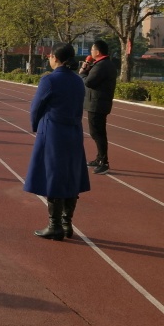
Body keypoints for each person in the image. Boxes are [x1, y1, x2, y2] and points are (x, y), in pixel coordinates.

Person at [23, 43, 90, 241]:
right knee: (71, 175)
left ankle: (55, 226)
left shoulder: (49, 80)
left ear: (55, 57)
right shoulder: (78, 81)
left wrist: (35, 125)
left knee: (53, 176)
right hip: (74, 131)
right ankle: (67, 223)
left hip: (53, 132)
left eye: (50, 56)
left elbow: (36, 107)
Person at [79, 39, 117, 175]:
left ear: (98, 52)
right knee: (98, 132)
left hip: (97, 104)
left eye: (92, 49)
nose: (90, 52)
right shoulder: (104, 64)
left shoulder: (101, 66)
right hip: (99, 103)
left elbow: (89, 82)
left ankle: (104, 162)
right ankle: (99, 158)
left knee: (97, 133)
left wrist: (83, 73)